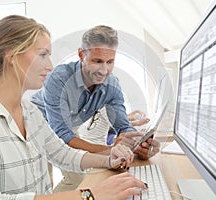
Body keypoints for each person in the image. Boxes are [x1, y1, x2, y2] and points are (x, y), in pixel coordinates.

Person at [0, 15, 148, 200]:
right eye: (42, 55)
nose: (50, 65)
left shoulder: (30, 112)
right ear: (12, 55)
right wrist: (89, 196)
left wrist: (109, 159)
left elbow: (63, 154)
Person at [31, 25, 160, 192]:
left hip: (69, 125)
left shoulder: (112, 85)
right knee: (42, 184)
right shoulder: (58, 79)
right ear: (81, 55)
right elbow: (62, 134)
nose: (104, 70)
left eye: (110, 62)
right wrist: (110, 151)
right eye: (97, 61)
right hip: (38, 123)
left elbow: (123, 127)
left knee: (78, 177)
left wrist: (138, 146)